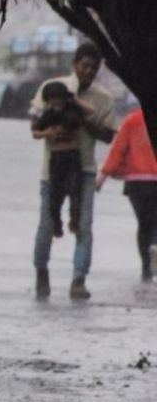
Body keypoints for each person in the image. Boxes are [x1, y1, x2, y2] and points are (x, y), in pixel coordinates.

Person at [30, 42, 116, 299]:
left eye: (93, 66)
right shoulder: (53, 89)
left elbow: (108, 135)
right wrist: (51, 131)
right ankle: (41, 271)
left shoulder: (104, 99)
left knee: (84, 223)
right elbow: (36, 125)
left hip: (84, 169)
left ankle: (79, 278)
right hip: (53, 169)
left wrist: (83, 121)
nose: (88, 71)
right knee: (47, 223)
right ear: (75, 65)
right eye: (84, 65)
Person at [96, 105, 157, 280]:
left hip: (136, 182)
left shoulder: (132, 120)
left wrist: (103, 175)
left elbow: (119, 149)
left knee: (144, 223)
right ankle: (155, 244)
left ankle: (146, 268)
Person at [32, 81, 94, 237]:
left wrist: (74, 99)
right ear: (48, 100)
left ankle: (74, 221)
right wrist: (48, 133)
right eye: (53, 99)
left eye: (59, 98)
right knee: (54, 197)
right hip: (57, 157)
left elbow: (90, 111)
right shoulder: (48, 114)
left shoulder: (72, 110)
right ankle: (56, 223)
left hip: (72, 156)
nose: (56, 102)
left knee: (75, 194)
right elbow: (35, 132)